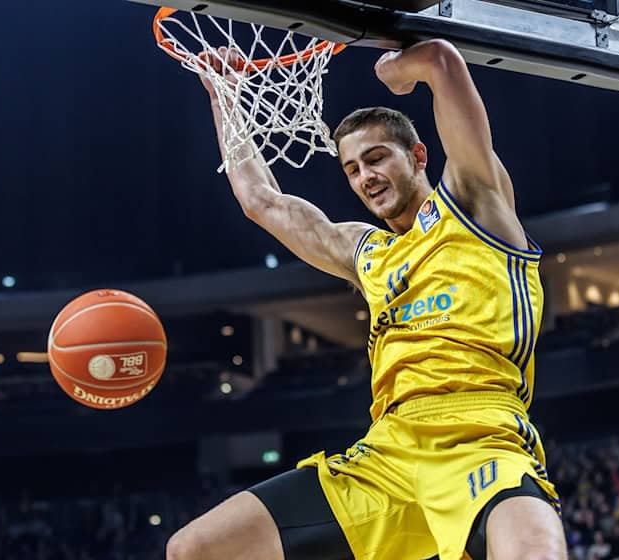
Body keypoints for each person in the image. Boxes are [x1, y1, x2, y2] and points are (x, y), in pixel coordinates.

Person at [167, 39, 566, 560]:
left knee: (537, 551)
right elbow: (261, 201)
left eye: (376, 158)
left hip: (480, 438)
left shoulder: (473, 203)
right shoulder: (367, 253)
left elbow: (442, 62)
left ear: (418, 155)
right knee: (193, 549)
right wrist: (223, 94)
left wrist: (400, 68)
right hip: (387, 453)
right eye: (352, 168)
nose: (365, 177)